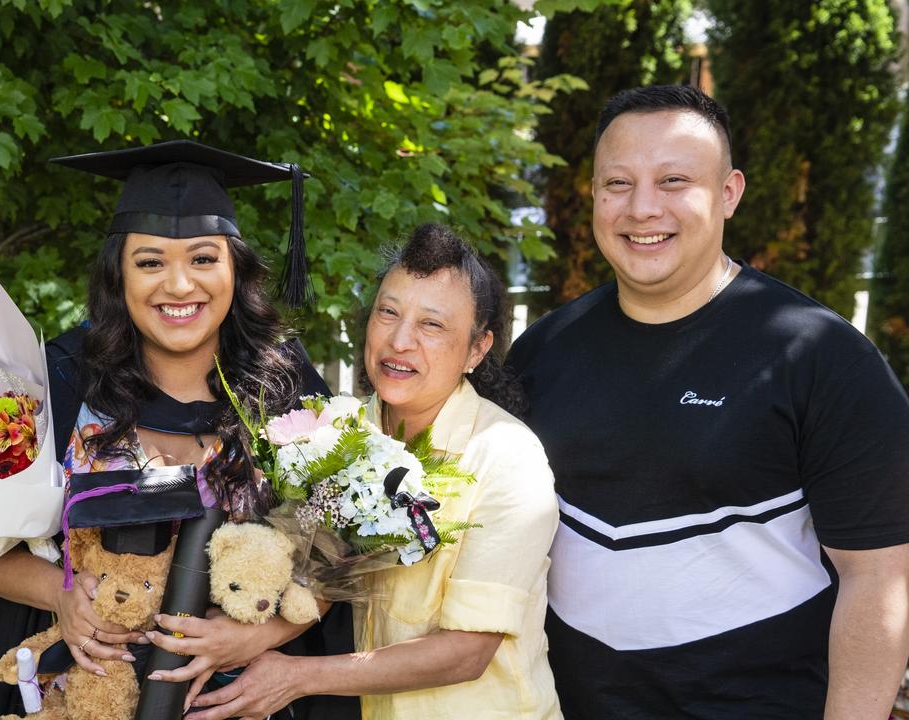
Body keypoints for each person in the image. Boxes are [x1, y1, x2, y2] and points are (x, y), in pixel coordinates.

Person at [506, 84, 909, 719]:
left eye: (673, 181)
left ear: (728, 194)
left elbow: (880, 579)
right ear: (592, 194)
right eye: (617, 183)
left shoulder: (820, 357)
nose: (642, 208)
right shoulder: (539, 354)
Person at [0, 141, 359, 719]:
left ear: (235, 268)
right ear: (118, 274)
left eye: (203, 259)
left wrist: (260, 634)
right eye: (150, 262)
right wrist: (61, 595)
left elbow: (344, 552)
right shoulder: (65, 377)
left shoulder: (281, 380)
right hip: (84, 698)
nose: (178, 285)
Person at [184, 223, 563, 720]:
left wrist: (296, 679)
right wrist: (242, 633)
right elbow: (314, 578)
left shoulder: (507, 457)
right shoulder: (337, 430)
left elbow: (467, 652)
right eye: (388, 312)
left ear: (477, 349)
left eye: (432, 325)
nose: (399, 340)